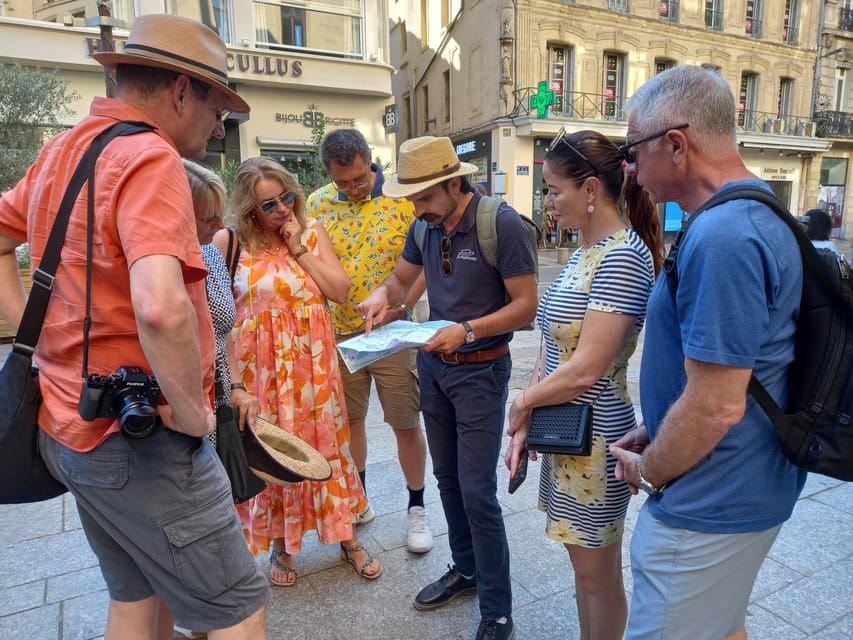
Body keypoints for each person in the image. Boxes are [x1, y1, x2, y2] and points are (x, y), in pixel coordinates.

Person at [0, 15, 268, 640]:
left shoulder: (62, 150)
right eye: (216, 104)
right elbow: (160, 307)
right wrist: (194, 413)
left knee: (137, 597)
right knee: (236, 610)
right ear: (180, 91)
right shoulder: (151, 158)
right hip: (140, 440)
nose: (218, 124)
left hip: (68, 425)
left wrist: (30, 338)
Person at [609, 65, 805, 640]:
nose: (628, 166)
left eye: (632, 149)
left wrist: (649, 470)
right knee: (722, 627)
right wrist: (660, 425)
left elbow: (717, 406)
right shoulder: (757, 208)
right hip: (741, 483)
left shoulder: (724, 236)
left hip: (709, 502)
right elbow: (737, 370)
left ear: (675, 146)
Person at [358, 136, 538, 640]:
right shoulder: (425, 226)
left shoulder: (499, 223)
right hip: (434, 368)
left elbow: (526, 306)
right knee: (447, 479)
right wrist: (381, 297)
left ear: (454, 183)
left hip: (481, 369)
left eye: (424, 198)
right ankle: (466, 569)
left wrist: (470, 329)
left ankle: (498, 609)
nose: (417, 209)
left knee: (478, 490)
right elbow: (399, 281)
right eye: (412, 199)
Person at [504, 129, 662, 640]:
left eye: (554, 190)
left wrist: (523, 404)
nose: (548, 202)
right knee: (583, 567)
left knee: (597, 575)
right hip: (565, 428)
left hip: (594, 438)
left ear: (591, 189)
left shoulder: (622, 256)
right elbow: (553, 347)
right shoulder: (586, 252)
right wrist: (529, 412)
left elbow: (586, 368)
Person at [214, 156, 382, 588]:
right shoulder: (229, 243)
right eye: (269, 205)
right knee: (276, 450)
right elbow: (217, 319)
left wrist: (298, 248)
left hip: (313, 364)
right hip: (262, 370)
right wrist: (231, 381)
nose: (282, 209)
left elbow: (340, 291)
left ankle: (345, 536)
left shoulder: (310, 231)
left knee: (328, 446)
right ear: (250, 210)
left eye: (286, 197)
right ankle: (281, 546)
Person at [307, 128, 433, 553]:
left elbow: (424, 262)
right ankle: (358, 500)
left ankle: (416, 508)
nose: (352, 188)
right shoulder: (318, 203)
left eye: (359, 179)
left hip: (394, 334)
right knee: (349, 423)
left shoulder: (401, 200)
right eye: (343, 182)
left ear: (370, 161)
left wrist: (403, 307)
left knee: (404, 422)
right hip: (340, 333)